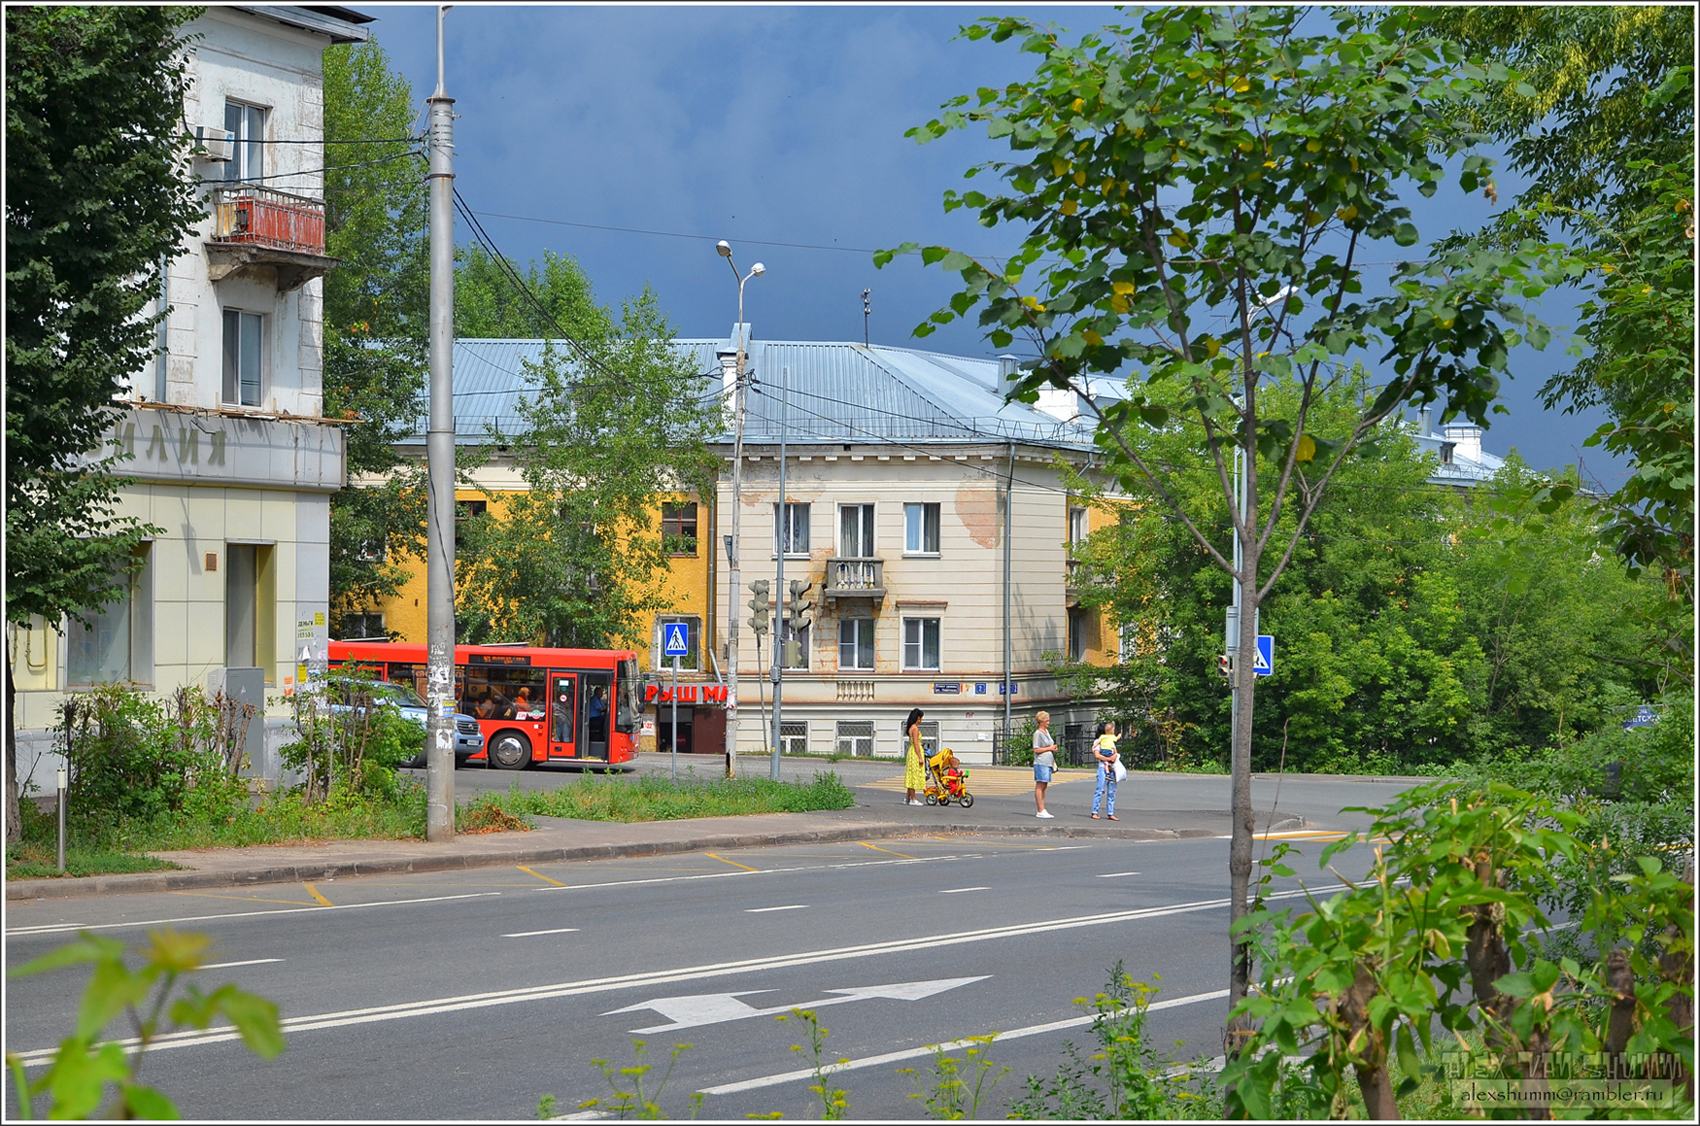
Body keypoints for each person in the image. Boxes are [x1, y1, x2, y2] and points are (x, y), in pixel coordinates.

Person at [1091, 719, 1120, 821]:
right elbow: (1097, 755)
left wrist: (1114, 757)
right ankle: (1094, 811)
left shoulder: (1111, 741)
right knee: (1100, 790)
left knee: (1112, 791)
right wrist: (1108, 758)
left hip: (1112, 768)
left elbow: (1115, 752)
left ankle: (1110, 812)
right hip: (1102, 767)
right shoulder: (1099, 741)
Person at [1032, 710, 1056, 818]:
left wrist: (1053, 748)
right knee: (1040, 785)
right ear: (1041, 721)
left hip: (1048, 762)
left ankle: (1043, 808)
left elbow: (1049, 745)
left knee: (1044, 785)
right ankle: (1040, 809)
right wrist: (1049, 748)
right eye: (1047, 720)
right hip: (1041, 762)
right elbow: (1036, 749)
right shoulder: (1038, 733)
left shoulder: (1046, 732)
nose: (1048, 722)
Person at [903, 708, 926, 806]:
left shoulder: (911, 728)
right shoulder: (915, 729)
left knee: (911, 775)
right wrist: (920, 757)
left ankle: (907, 797)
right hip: (915, 753)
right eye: (921, 718)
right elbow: (916, 744)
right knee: (914, 776)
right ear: (918, 718)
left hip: (912, 752)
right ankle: (913, 798)